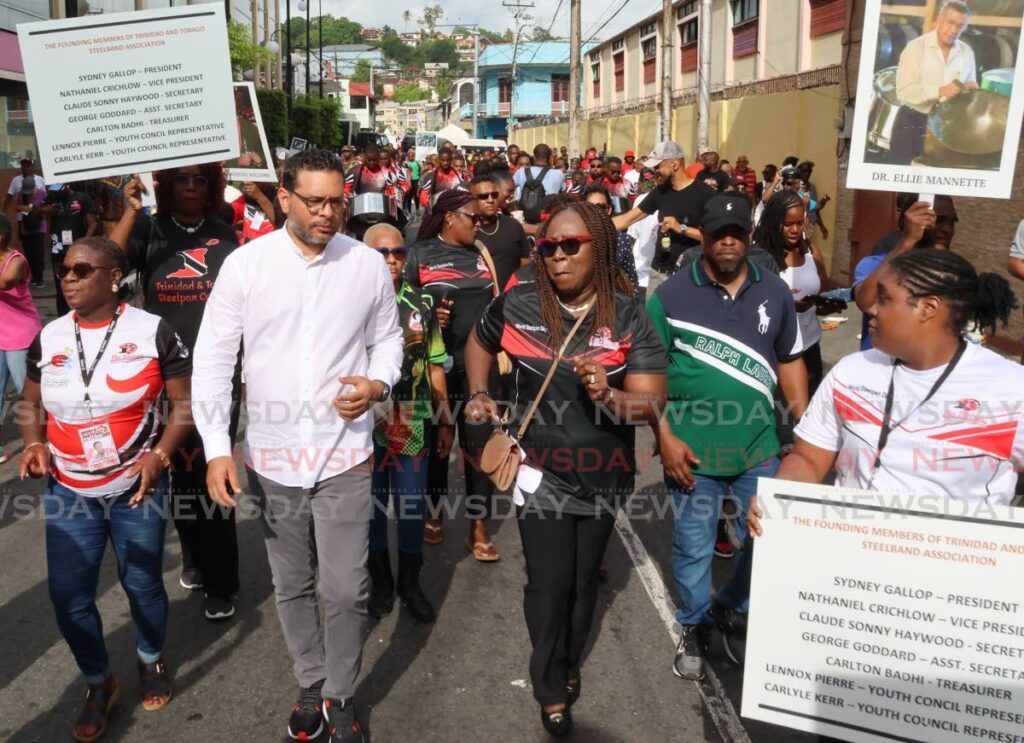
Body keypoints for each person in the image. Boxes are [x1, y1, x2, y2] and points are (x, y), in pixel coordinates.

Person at [193, 149, 403, 743]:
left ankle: (341, 695)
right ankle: (310, 682)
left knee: (346, 586)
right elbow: (213, 358)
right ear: (283, 196)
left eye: (337, 200)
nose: (328, 213)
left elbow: (388, 340)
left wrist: (378, 382)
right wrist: (215, 446)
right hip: (274, 455)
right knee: (292, 582)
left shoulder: (364, 265)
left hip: (346, 453)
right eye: (314, 201)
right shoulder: (245, 266)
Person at [464, 201, 667, 738]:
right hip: (539, 473)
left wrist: (610, 393)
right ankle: (549, 682)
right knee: (549, 584)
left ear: (597, 249)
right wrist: (481, 392)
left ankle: (570, 657)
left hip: (604, 473)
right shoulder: (520, 302)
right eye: (549, 247)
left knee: (582, 584)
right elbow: (479, 342)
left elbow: (650, 405)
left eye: (570, 246)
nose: (556, 257)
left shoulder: (627, 315)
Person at [19, 236, 193, 742]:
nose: (67, 278)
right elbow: (31, 402)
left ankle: (149, 658)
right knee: (68, 597)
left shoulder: (152, 331)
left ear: (113, 276)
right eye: (62, 269)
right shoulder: (49, 336)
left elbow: (184, 405)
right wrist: (34, 443)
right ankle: (99, 681)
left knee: (142, 583)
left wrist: (160, 457)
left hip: (135, 487)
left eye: (79, 269)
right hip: (69, 488)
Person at [646, 194, 808, 681]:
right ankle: (694, 624)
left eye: (737, 232)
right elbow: (647, 375)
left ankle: (730, 605)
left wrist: (801, 432)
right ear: (704, 236)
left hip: (759, 447)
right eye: (719, 233)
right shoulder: (670, 295)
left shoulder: (774, 291)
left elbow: (790, 358)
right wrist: (665, 436)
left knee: (769, 540)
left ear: (750, 236)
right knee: (694, 547)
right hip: (691, 452)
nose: (729, 241)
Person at [748, 249, 1021, 531]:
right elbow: (808, 459)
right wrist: (780, 495)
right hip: (852, 553)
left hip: (954, 563)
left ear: (928, 307)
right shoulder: (850, 372)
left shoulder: (1010, 388)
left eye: (884, 299)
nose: (871, 310)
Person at [111, 164, 242, 621]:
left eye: (199, 179)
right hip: (165, 377)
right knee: (177, 471)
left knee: (213, 469)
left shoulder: (226, 235)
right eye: (181, 179)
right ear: (165, 186)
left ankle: (223, 581)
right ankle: (194, 553)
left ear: (212, 186)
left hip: (219, 375)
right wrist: (129, 212)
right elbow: (107, 261)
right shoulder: (150, 230)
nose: (190, 186)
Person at [363, 223, 453, 624]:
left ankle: (410, 584)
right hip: (363, 424)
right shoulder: (350, 302)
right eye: (383, 253)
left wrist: (446, 420)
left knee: (412, 506)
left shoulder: (421, 304)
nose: (392, 260)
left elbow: (435, 367)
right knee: (374, 506)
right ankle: (381, 583)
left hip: (412, 418)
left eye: (398, 252)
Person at [404, 190, 500, 560]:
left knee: (479, 448)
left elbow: (494, 305)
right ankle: (434, 511)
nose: (479, 223)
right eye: (472, 217)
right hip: (436, 371)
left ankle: (478, 526)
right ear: (449, 218)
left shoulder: (479, 254)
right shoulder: (419, 254)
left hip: (479, 370)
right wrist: (429, 321)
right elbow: (404, 310)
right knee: (437, 447)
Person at [758, 190, 841, 395]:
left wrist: (826, 304)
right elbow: (750, 305)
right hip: (775, 352)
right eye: (788, 224)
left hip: (810, 347)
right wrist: (787, 304)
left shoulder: (812, 252)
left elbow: (822, 292)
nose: (795, 230)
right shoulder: (761, 257)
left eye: (799, 222)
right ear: (773, 221)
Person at [854, 195, 958, 350]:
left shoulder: (953, 273)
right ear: (908, 221)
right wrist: (908, 239)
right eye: (939, 220)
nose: (947, 229)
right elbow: (867, 302)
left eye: (951, 222)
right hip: (881, 368)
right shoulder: (873, 265)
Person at [893, 0, 977, 165]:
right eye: (950, 23)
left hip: (948, 127)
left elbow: (971, 81)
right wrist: (939, 91)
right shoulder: (915, 48)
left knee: (940, 185)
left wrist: (972, 89)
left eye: (960, 26)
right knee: (904, 186)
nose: (954, 30)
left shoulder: (967, 52)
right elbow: (903, 91)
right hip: (913, 123)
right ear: (939, 19)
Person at [613, 141, 715, 275]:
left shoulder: (705, 193)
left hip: (691, 272)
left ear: (675, 164)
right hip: (659, 272)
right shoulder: (659, 192)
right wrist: (591, 226)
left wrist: (681, 228)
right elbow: (627, 219)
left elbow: (714, 238)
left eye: (658, 166)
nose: (655, 171)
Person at [0, 215, 41, 464]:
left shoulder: (16, 261)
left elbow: (5, 282)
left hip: (20, 336)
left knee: (27, 393)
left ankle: (36, 442)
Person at [42, 182, 97, 315]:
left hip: (78, 250)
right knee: (61, 286)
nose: (57, 193)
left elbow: (92, 224)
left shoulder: (82, 198)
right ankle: (63, 316)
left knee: (81, 282)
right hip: (58, 250)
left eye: (59, 190)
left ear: (66, 185)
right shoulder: (53, 199)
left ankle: (85, 314)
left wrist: (84, 243)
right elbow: (42, 218)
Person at [471, 175, 532, 289]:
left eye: (494, 195)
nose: (490, 200)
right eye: (484, 196)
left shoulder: (513, 226)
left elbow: (526, 263)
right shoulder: (467, 231)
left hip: (512, 298)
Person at [582, 183, 638, 293]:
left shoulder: (621, 240)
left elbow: (631, 278)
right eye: (590, 207)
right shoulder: (577, 239)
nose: (596, 212)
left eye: (600, 207)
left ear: (609, 210)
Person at [512, 144, 566, 220]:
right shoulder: (559, 174)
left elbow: (510, 188)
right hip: (548, 218)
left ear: (533, 158)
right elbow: (563, 190)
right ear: (550, 158)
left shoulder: (521, 172)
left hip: (525, 217)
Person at [16, 173, 48, 288]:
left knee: (38, 253)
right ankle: (34, 277)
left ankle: (40, 278)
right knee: (29, 254)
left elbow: (48, 208)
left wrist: (38, 210)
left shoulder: (42, 194)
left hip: (39, 226)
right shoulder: (21, 194)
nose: (28, 193)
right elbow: (16, 207)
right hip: (26, 227)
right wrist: (23, 208)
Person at [404, 151, 422, 215]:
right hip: (409, 181)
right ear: (408, 156)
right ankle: (409, 210)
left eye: (413, 156)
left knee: (416, 196)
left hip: (416, 180)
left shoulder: (417, 162)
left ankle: (417, 209)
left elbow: (420, 170)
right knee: (409, 196)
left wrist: (420, 178)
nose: (411, 157)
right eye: (410, 156)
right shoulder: (405, 163)